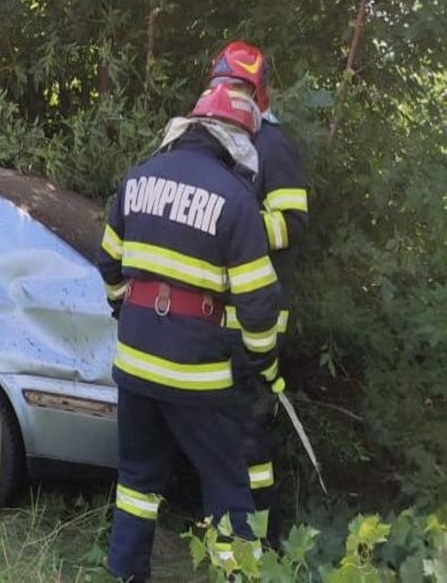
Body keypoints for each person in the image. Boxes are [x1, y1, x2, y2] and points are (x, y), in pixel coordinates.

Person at [98, 83, 283, 580]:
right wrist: (260, 361)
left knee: (136, 482)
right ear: (236, 140)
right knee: (226, 485)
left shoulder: (136, 179)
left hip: (135, 364)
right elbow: (260, 303)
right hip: (198, 375)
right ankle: (238, 575)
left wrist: (128, 313)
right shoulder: (237, 200)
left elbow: (109, 265)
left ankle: (125, 574)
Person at [206, 41, 309, 538]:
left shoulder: (273, 147)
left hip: (256, 321)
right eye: (226, 88)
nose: (233, 98)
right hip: (214, 318)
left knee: (249, 437)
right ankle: (227, 534)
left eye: (242, 89)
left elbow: (292, 225)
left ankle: (258, 540)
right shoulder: (219, 144)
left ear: (261, 93)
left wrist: (239, 224)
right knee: (221, 434)